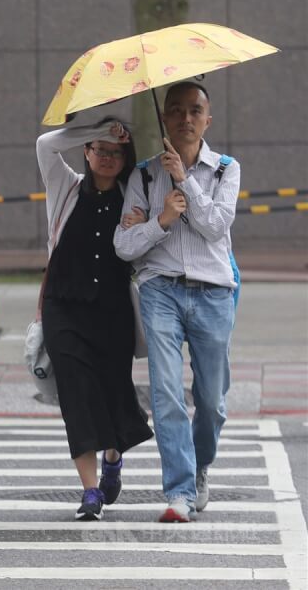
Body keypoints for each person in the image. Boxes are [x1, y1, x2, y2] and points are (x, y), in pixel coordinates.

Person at [114, 81, 240, 523]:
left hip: (213, 293)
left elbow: (216, 225)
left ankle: (201, 466)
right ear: (164, 119)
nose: (186, 119)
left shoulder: (226, 169)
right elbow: (125, 246)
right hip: (160, 291)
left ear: (208, 119)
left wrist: (186, 183)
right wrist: (161, 222)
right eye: (177, 111)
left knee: (212, 401)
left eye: (195, 111)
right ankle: (180, 491)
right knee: (166, 394)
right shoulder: (145, 175)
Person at [36, 117, 154, 521]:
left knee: (112, 390)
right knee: (75, 394)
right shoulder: (64, 186)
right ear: (86, 152)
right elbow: (44, 143)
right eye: (99, 150)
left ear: (125, 159)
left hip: (113, 313)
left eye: (115, 152)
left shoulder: (133, 196)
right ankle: (89, 492)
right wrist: (100, 130)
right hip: (63, 308)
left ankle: (113, 457)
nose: (106, 157)